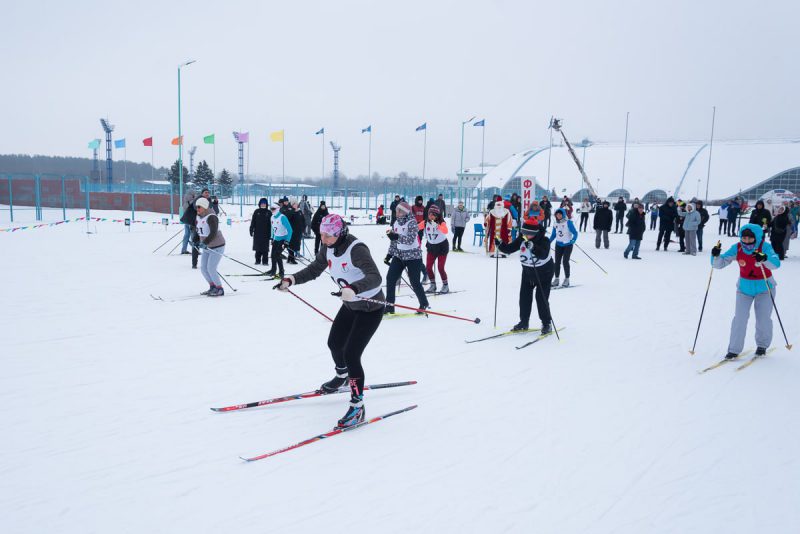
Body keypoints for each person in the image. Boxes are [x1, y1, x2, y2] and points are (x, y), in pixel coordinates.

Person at [276, 214, 384, 429]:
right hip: (350, 305)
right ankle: (342, 376)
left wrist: (354, 288)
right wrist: (292, 279)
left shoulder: (356, 249)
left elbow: (375, 277)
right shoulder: (328, 248)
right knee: (334, 344)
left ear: (340, 233)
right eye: (321, 235)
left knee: (351, 354)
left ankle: (357, 407)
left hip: (370, 308)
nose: (323, 239)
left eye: (327, 236)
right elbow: (315, 269)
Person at [711, 224, 780, 360]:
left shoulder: (764, 247)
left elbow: (776, 264)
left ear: (756, 237)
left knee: (763, 319)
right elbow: (719, 264)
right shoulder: (737, 248)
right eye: (744, 238)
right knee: (739, 319)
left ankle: (762, 346)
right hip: (744, 289)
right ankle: (734, 350)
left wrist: (764, 258)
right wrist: (716, 255)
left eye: (750, 238)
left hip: (765, 288)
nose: (746, 241)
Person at [496, 218, 554, 334]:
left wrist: (533, 247)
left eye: (529, 233)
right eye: (524, 232)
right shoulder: (522, 239)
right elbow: (509, 249)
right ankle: (524, 322)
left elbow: (543, 254)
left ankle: (546, 323)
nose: (526, 235)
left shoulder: (544, 240)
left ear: (535, 232)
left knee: (541, 299)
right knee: (524, 298)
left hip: (544, 274)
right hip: (528, 273)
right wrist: (500, 245)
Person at [384, 201, 429, 314]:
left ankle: (423, 303)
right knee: (390, 279)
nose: (397, 212)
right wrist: (389, 255)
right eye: (396, 210)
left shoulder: (412, 223)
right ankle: (389, 306)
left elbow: (410, 240)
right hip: (399, 256)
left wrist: (396, 236)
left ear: (405, 212)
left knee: (414, 282)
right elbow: (394, 241)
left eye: (399, 211)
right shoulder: (395, 223)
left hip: (413, 256)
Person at [195, 197, 227, 297]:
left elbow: (213, 232)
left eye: (199, 207)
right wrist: (196, 241)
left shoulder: (212, 217)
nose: (197, 209)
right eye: (196, 207)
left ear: (204, 207)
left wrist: (205, 242)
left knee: (211, 268)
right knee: (203, 268)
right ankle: (212, 286)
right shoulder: (198, 217)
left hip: (217, 246)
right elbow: (198, 230)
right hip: (207, 247)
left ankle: (219, 289)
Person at [424, 205, 449, 294]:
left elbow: (445, 231)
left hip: (442, 247)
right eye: (430, 214)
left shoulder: (441, 222)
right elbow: (416, 227)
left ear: (437, 215)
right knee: (428, 267)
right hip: (431, 247)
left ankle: (445, 285)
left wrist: (437, 225)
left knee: (440, 268)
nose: (431, 216)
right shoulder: (425, 222)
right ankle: (433, 285)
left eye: (433, 215)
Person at [549, 208, 578, 287]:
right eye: (557, 214)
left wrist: (573, 240)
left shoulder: (568, 222)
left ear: (563, 214)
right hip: (558, 245)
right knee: (557, 262)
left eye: (560, 214)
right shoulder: (555, 223)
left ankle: (567, 279)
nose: (558, 216)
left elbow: (575, 233)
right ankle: (556, 279)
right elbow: (553, 234)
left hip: (568, 245)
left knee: (565, 261)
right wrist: (548, 242)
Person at [265, 202, 292, 279]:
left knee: (277, 254)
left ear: (278, 209)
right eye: (271, 209)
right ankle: (273, 270)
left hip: (283, 239)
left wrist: (287, 241)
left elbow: (290, 230)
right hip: (276, 239)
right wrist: (272, 238)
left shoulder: (282, 217)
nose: (272, 210)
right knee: (273, 255)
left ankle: (281, 272)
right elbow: (272, 228)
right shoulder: (272, 217)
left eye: (273, 209)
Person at [249, 198, 271, 265]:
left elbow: (271, 224)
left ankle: (265, 261)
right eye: (262, 203)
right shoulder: (256, 211)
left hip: (266, 233)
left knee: (265, 248)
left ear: (266, 204)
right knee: (258, 248)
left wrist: (271, 234)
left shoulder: (269, 212)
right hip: (257, 233)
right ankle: (257, 260)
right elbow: (253, 221)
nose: (263, 204)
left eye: (264, 203)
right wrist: (251, 229)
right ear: (260, 204)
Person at [179, 189, 197, 254]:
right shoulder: (193, 202)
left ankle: (184, 249)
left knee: (186, 235)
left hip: (186, 221)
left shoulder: (185, 203)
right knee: (193, 236)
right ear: (192, 195)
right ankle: (194, 250)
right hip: (191, 221)